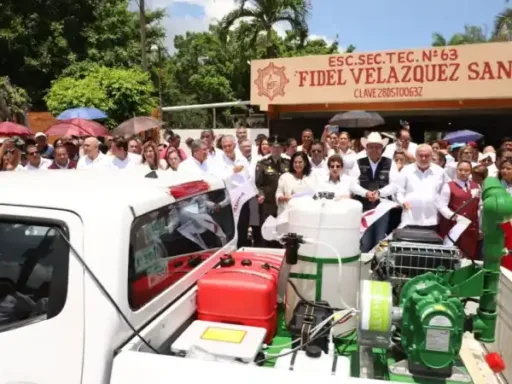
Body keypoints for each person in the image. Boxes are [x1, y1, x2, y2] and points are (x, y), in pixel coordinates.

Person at [352, 132, 398, 252]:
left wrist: (380, 193)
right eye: (371, 147)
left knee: (380, 241)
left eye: (377, 147)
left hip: (382, 208)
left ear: (382, 149)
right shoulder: (358, 162)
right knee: (364, 241)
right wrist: (365, 193)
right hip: (364, 208)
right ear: (366, 148)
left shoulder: (390, 163)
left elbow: (395, 184)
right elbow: (352, 184)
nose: (374, 150)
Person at [396, 144, 446, 229]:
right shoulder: (406, 170)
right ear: (416, 156)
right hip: (410, 219)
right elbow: (399, 191)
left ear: (431, 156)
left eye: (427, 156)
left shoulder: (440, 172)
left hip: (432, 220)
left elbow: (444, 194)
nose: (423, 158)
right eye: (421, 156)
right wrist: (402, 202)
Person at [437, 161, 480, 260]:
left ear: (470, 172)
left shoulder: (476, 186)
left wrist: (480, 229)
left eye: (466, 170)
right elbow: (442, 206)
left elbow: (479, 208)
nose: (463, 172)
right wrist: (453, 216)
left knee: (467, 258)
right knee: (449, 257)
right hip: (453, 227)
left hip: (470, 230)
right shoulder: (448, 186)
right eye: (460, 170)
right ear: (456, 170)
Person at [255, 136, 290, 247]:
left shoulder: (288, 162)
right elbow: (258, 184)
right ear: (270, 148)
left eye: (279, 147)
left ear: (283, 148)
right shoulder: (262, 163)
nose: (276, 150)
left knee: (282, 232)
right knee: (267, 232)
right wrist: (260, 194)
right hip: (268, 204)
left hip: (283, 204)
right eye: (274, 147)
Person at [275, 151, 316, 215]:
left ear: (305, 163)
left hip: (306, 213)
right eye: (295, 162)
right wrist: (284, 198)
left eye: (300, 162)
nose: (297, 165)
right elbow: (278, 193)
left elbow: (314, 194)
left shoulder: (312, 177)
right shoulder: (284, 177)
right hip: (287, 213)